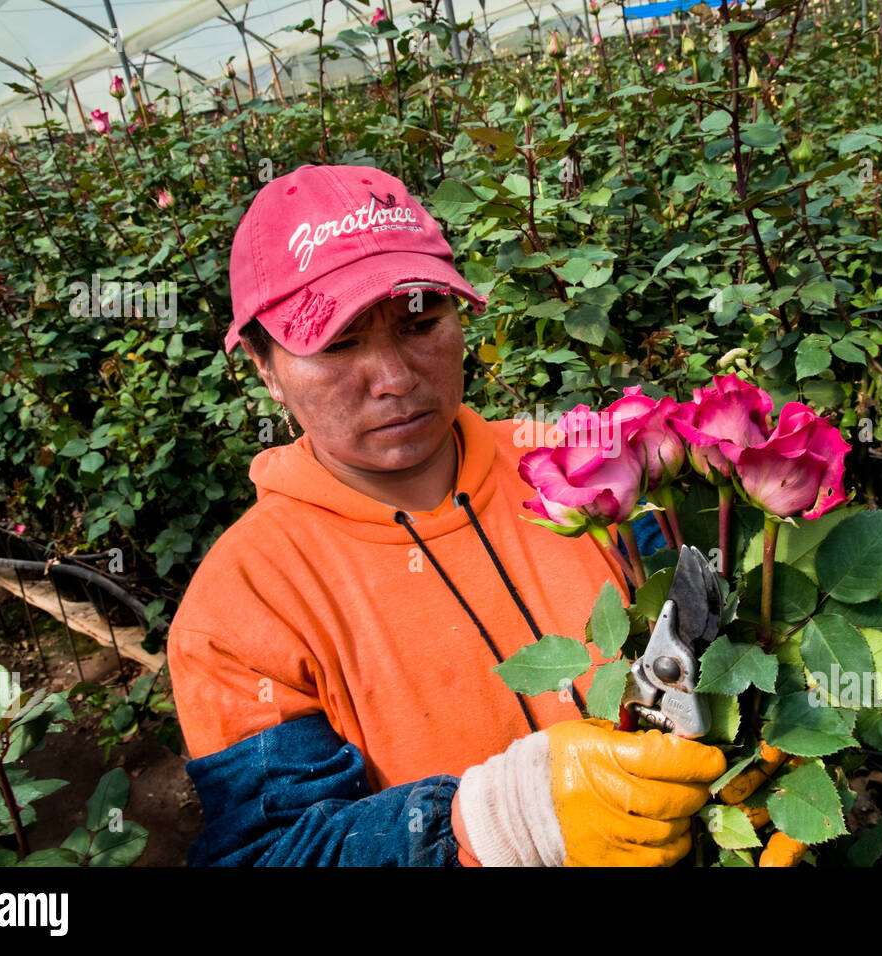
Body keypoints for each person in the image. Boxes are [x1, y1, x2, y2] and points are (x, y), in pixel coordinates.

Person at [167, 164, 726, 866]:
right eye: (337, 344)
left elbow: (702, 627)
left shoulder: (577, 468)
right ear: (263, 365)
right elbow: (268, 852)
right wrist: (497, 824)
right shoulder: (241, 609)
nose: (395, 377)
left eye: (420, 322)